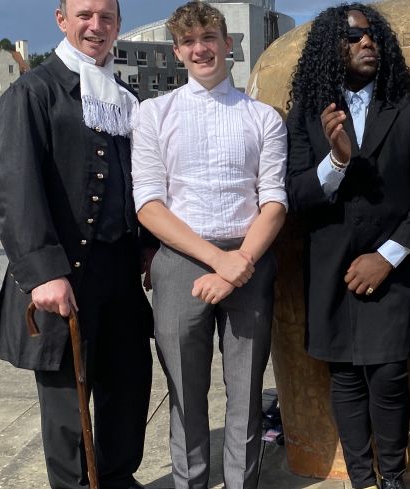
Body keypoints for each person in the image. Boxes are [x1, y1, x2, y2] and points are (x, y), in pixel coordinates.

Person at [0, 0, 152, 488]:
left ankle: (118, 478)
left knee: (128, 385)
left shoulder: (123, 97)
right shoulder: (32, 92)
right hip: (65, 273)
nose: (96, 27)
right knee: (67, 405)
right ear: (62, 20)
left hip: (119, 274)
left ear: (118, 24)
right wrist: (42, 273)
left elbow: (134, 182)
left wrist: (147, 245)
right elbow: (15, 187)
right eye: (85, 15)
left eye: (106, 17)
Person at [285, 3, 410, 488]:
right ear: (330, 46)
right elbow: (295, 194)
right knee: (346, 376)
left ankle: (391, 477)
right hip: (330, 265)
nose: (367, 43)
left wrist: (388, 256)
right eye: (354, 36)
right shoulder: (309, 110)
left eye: (373, 34)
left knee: (388, 374)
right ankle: (362, 478)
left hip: (391, 267)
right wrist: (335, 161)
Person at [131, 2, 287, 488]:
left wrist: (239, 260)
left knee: (245, 393)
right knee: (184, 390)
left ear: (228, 44)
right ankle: (191, 482)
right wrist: (220, 261)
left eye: (209, 38)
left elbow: (275, 201)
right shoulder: (154, 114)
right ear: (177, 51)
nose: (201, 49)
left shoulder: (263, 118)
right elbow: (149, 204)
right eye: (189, 42)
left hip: (250, 256)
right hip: (181, 261)